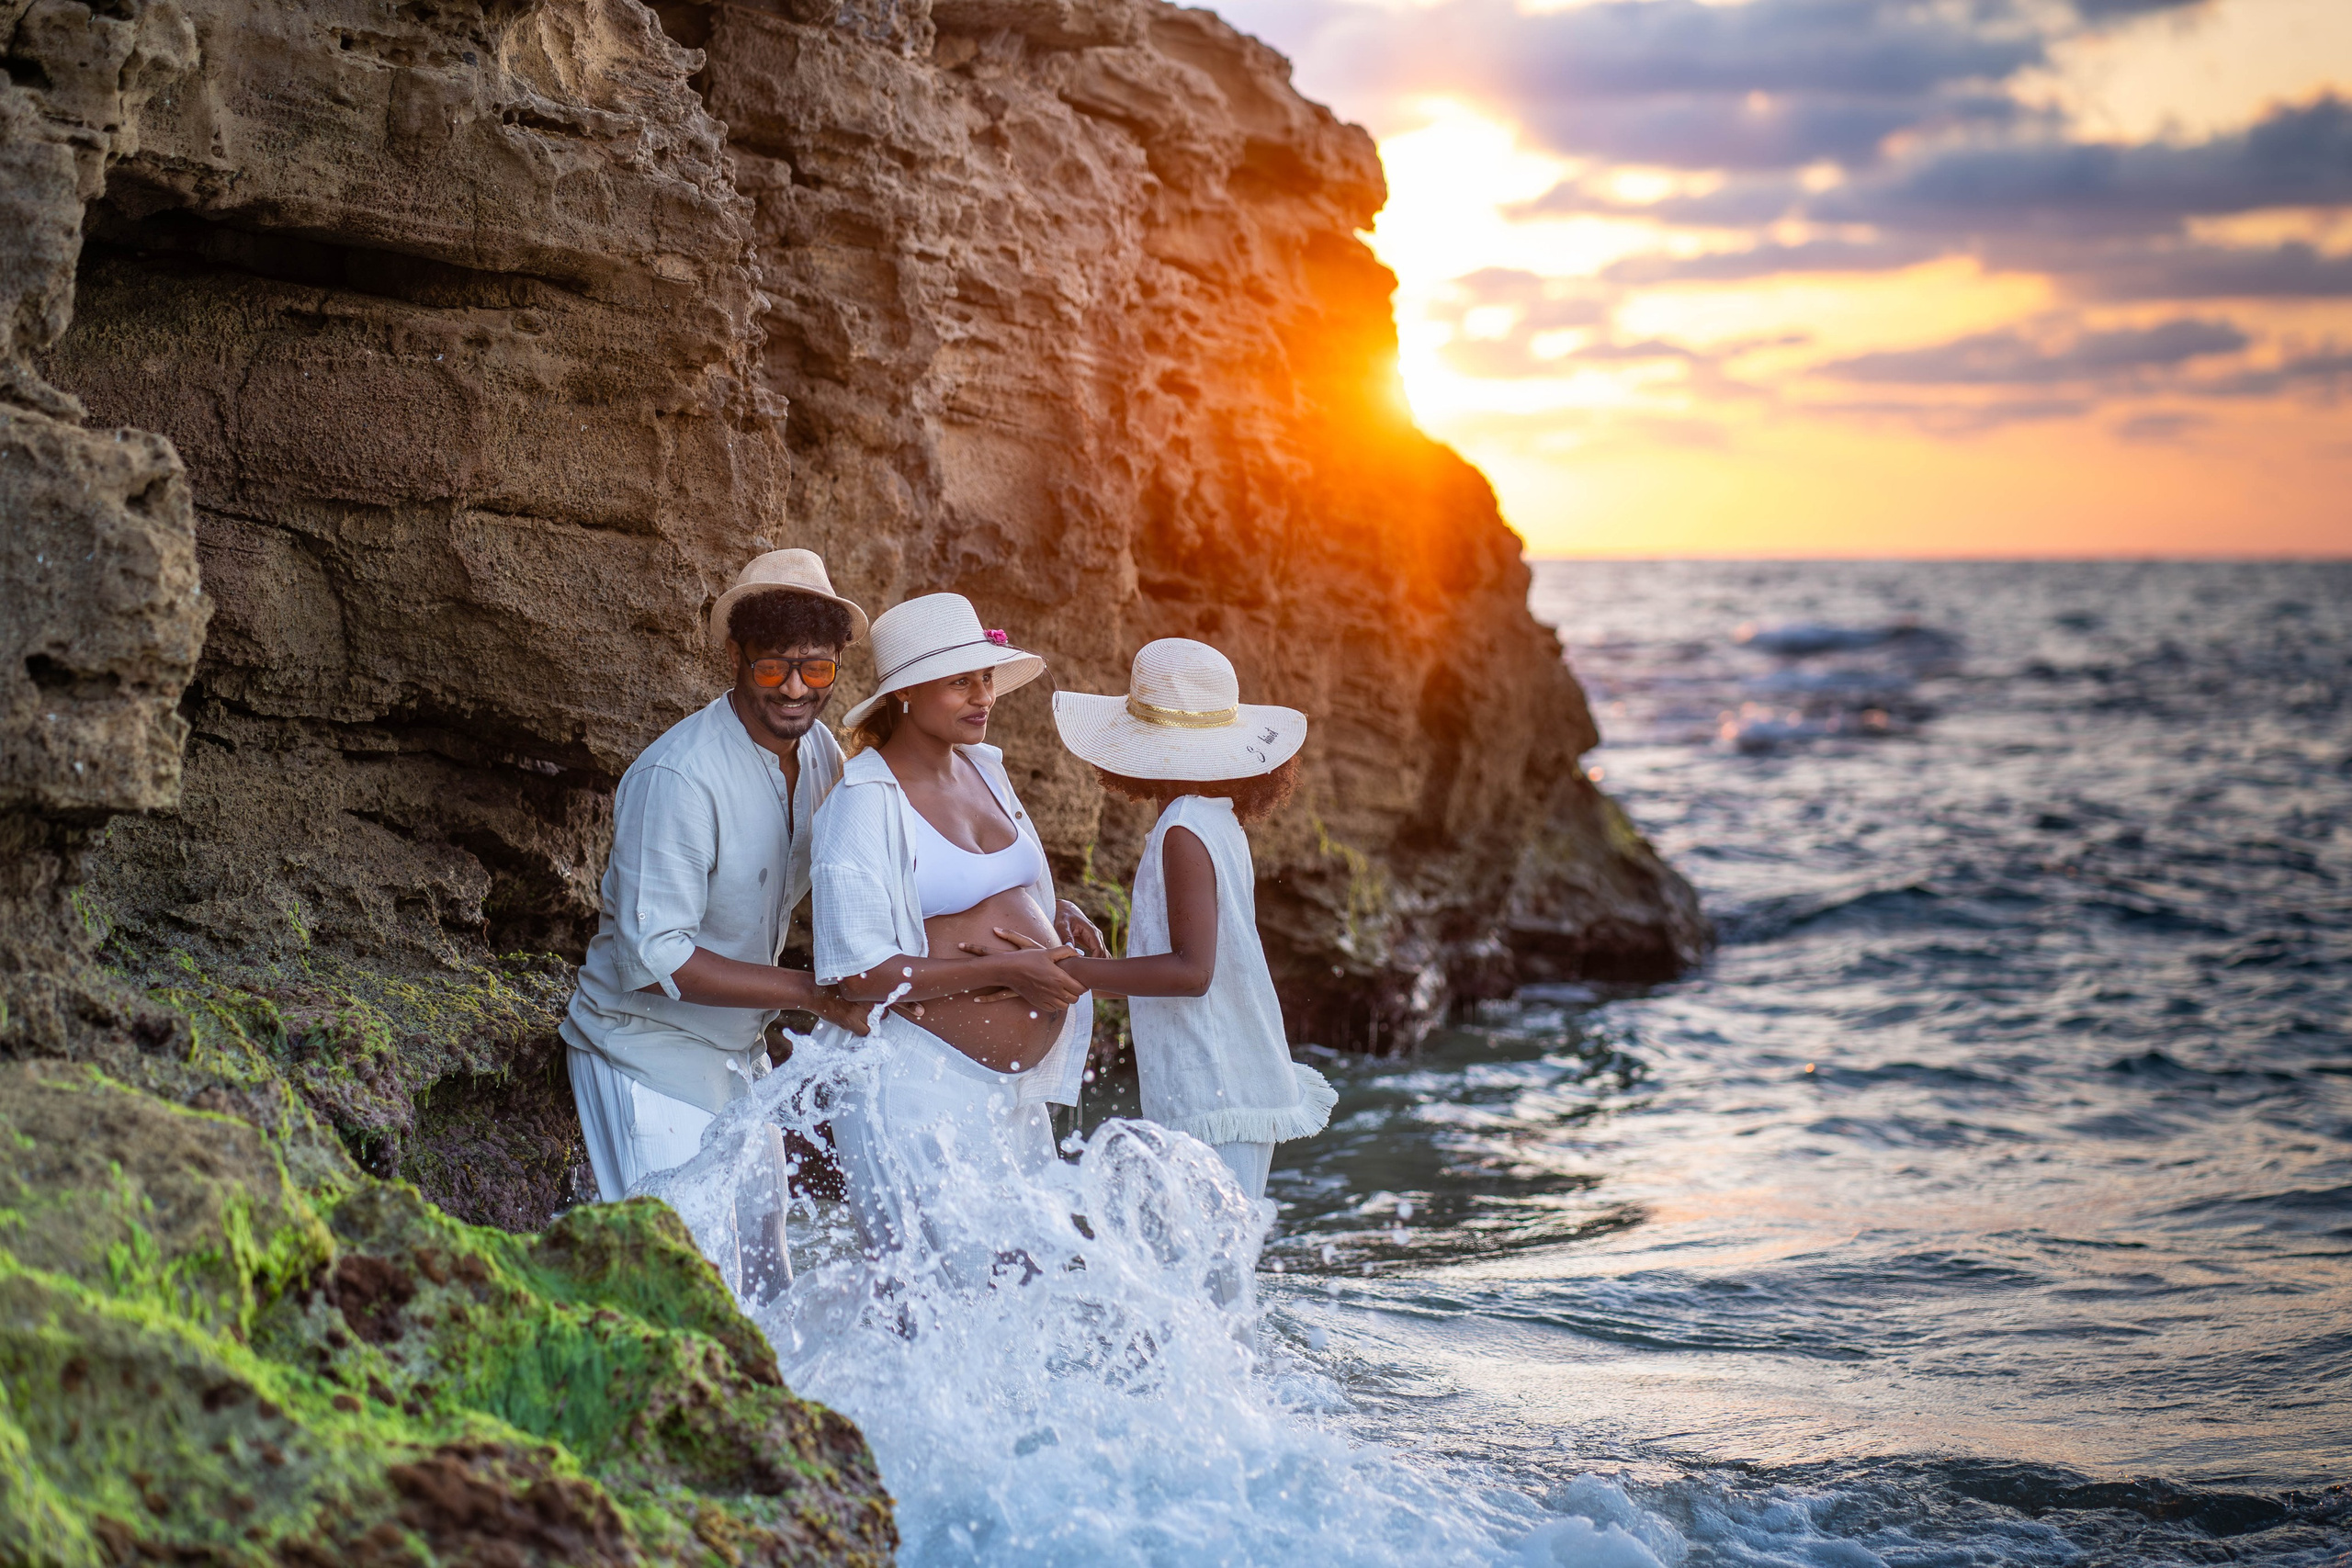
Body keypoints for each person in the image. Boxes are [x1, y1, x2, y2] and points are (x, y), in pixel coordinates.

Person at [560, 548, 874, 1293]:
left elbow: (886, 851)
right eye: (773, 668)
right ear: (736, 657)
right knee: (681, 1298)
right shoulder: (679, 776)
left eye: (817, 669)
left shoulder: (823, 753)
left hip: (742, 1063)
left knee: (769, 1292)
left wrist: (1027, 896)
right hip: (646, 1054)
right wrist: (811, 993)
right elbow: (656, 957)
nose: (796, 689)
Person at [808, 592, 1099, 1275]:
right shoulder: (863, 801)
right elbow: (855, 973)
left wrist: (1055, 914)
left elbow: (998, 885)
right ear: (906, 692)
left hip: (1012, 1099)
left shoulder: (985, 767)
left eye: (987, 676)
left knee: (1025, 1315)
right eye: (960, 680)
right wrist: (1005, 973)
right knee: (935, 1313)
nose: (984, 695)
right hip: (914, 1090)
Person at [1048, 638, 1336, 1203]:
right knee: (1217, 1281)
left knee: (1205, 1283)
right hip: (1228, 1077)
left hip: (1213, 1088)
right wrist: (1104, 969)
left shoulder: (1182, 829)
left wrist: (1076, 974)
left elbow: (1191, 973)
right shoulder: (1212, 817)